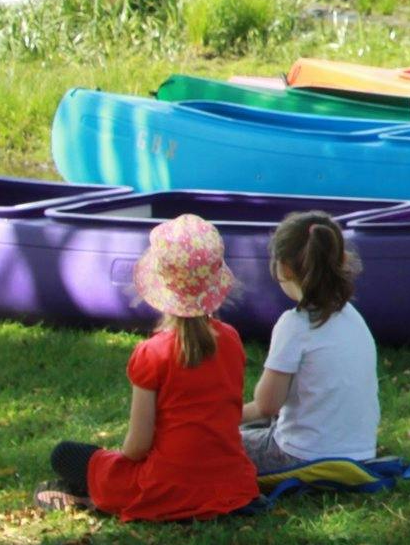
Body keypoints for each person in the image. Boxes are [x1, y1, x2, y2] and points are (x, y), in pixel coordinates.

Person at [39, 214, 258, 520]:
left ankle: (89, 496)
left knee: (65, 455)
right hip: (233, 484)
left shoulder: (152, 353)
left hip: (166, 486)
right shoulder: (232, 340)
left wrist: (116, 458)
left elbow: (137, 448)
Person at [240, 210, 380, 474]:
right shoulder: (353, 317)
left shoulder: (295, 324)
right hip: (359, 452)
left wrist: (221, 419)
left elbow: (266, 405)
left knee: (218, 442)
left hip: (302, 454)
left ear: (285, 268)